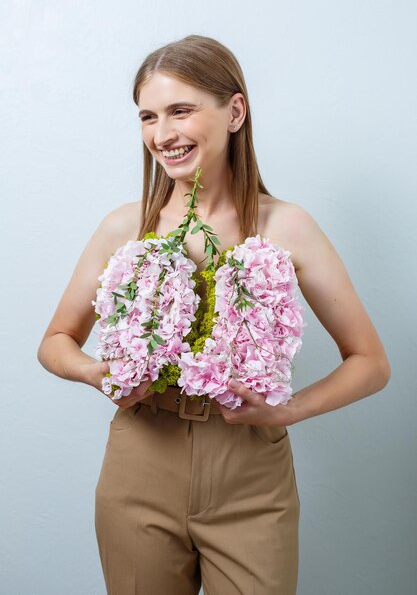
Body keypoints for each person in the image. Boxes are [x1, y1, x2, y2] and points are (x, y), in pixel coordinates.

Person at [37, 34, 391, 595]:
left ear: (235, 111)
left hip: (250, 475)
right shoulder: (124, 228)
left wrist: (287, 411)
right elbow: (56, 340)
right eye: (148, 116)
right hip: (140, 463)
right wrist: (97, 372)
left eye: (181, 111)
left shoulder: (286, 227)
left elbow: (370, 362)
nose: (162, 134)